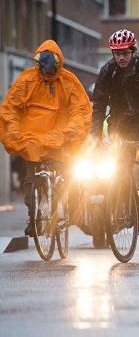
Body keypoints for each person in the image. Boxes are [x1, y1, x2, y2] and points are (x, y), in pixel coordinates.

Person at [0, 40, 92, 236]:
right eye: (44, 71)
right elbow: (10, 109)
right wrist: (17, 134)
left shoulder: (69, 82)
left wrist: (68, 133)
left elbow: (80, 110)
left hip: (61, 141)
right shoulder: (26, 81)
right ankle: (34, 217)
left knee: (69, 179)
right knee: (31, 182)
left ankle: (69, 210)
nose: (48, 75)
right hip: (33, 142)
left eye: (51, 71)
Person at [90, 28, 139, 234]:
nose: (121, 57)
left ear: (133, 51)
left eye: (125, 53)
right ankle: (124, 213)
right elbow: (98, 106)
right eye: (117, 53)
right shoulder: (107, 71)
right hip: (121, 128)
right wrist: (94, 137)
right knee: (119, 172)